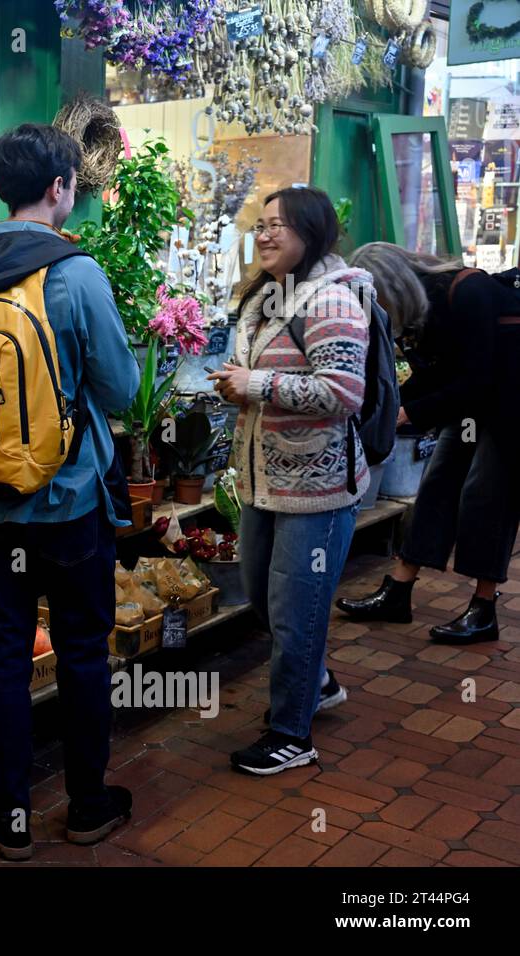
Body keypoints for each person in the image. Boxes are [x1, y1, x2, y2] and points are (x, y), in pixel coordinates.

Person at [0, 123, 139, 859]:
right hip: (69, 498)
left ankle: (10, 818)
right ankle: (87, 807)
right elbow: (121, 386)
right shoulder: (75, 272)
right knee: (84, 650)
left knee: (6, 655)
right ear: (60, 189)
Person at [208, 186, 372, 776]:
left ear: (313, 230)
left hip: (318, 492)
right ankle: (317, 682)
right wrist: (238, 383)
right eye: (262, 224)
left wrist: (256, 385)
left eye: (279, 224)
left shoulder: (332, 302)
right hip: (263, 483)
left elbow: (344, 393)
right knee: (263, 597)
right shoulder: (267, 299)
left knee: (296, 610)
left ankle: (291, 734)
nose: (266, 233)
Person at [334, 243, 520, 644]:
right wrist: (389, 405)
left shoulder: (468, 293)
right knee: (436, 485)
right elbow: (436, 375)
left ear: (393, 286)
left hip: (510, 402)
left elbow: (475, 381)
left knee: (488, 497)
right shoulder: (418, 314)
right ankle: (398, 592)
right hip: (476, 400)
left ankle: (483, 609)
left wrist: (408, 413)